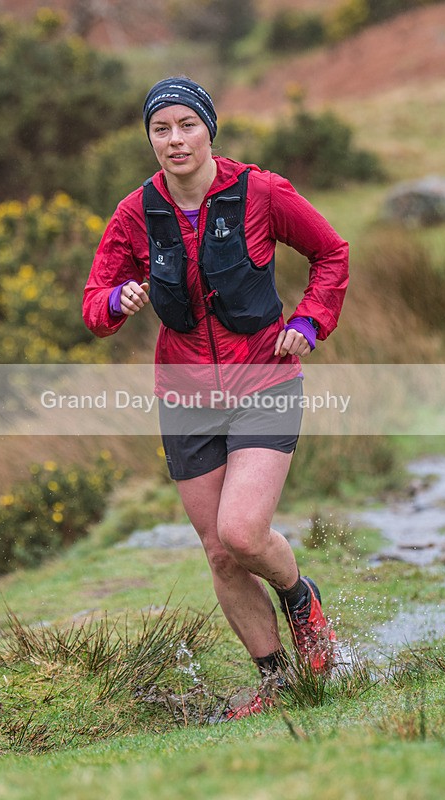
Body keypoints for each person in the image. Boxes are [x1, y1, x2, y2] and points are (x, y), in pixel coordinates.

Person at [83, 76, 349, 718]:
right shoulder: (135, 212)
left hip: (265, 380)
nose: (175, 140)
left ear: (209, 128)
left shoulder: (260, 192)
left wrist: (309, 323)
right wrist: (117, 301)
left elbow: (331, 254)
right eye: (160, 128)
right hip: (184, 396)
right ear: (149, 137)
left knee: (241, 531)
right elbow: (95, 304)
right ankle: (278, 681)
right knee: (218, 553)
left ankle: (300, 597)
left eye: (186, 125)